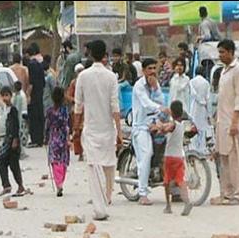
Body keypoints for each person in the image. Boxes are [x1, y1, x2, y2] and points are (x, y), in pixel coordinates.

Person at [74, 40, 123, 221]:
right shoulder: (111, 77)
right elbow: (115, 106)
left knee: (94, 169)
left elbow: (78, 106)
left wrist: (75, 129)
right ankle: (107, 199)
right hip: (108, 129)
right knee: (109, 166)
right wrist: (119, 131)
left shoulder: (83, 77)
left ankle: (100, 207)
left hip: (91, 129)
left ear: (90, 54)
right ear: (105, 55)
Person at [211, 39, 239, 206]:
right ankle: (226, 194)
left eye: (223, 52)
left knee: (235, 161)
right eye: (219, 52)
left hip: (233, 123)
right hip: (222, 122)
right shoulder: (224, 71)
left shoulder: (238, 70)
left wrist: (235, 123)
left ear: (231, 52)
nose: (220, 55)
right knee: (223, 159)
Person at [131, 58, 165, 205]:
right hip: (140, 127)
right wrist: (160, 109)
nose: (152, 71)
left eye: (154, 68)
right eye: (149, 68)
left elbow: (161, 100)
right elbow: (146, 103)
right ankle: (142, 193)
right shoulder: (139, 86)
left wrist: (156, 88)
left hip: (154, 124)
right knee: (146, 155)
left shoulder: (154, 84)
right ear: (144, 71)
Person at [154, 100, 193, 216]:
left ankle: (168, 205)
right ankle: (187, 201)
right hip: (179, 157)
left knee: (166, 181)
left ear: (171, 112)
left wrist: (159, 126)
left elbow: (166, 129)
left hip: (169, 157)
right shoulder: (181, 125)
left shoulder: (173, 124)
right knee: (180, 181)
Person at [0, 86, 26, 197]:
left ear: (10, 95)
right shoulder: (5, 108)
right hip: (7, 140)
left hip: (12, 141)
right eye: (3, 95)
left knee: (13, 164)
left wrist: (15, 140)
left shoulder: (13, 109)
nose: (4, 98)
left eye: (6, 95)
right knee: (2, 161)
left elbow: (15, 125)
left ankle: (19, 186)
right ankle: (7, 185)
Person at [45, 87, 70, 197]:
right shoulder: (64, 110)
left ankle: (58, 183)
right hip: (63, 137)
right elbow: (67, 123)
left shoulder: (49, 111)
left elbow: (47, 125)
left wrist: (45, 137)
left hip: (53, 137)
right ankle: (61, 182)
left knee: (55, 162)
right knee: (63, 161)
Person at [26, 43, 46, 147]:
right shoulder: (39, 64)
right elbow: (43, 82)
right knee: (40, 115)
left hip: (34, 94)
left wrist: (28, 95)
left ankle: (35, 139)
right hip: (40, 93)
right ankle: (40, 139)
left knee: (33, 117)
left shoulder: (31, 64)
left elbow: (31, 82)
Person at [189, 66, 211, 154]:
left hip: (194, 106)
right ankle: (201, 147)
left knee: (194, 126)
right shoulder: (206, 83)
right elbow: (208, 98)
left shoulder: (192, 81)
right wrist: (208, 112)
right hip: (203, 107)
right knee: (202, 127)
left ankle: (193, 147)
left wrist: (198, 99)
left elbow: (192, 94)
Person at [66, 64, 85, 162]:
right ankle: (80, 152)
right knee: (77, 130)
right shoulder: (74, 83)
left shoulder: (87, 82)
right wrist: (76, 100)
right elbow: (68, 96)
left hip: (87, 109)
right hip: (76, 109)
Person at [12, 81, 28, 159]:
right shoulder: (21, 94)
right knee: (21, 135)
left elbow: (17, 109)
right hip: (21, 117)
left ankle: (21, 153)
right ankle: (21, 152)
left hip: (19, 118)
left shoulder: (19, 96)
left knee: (19, 135)